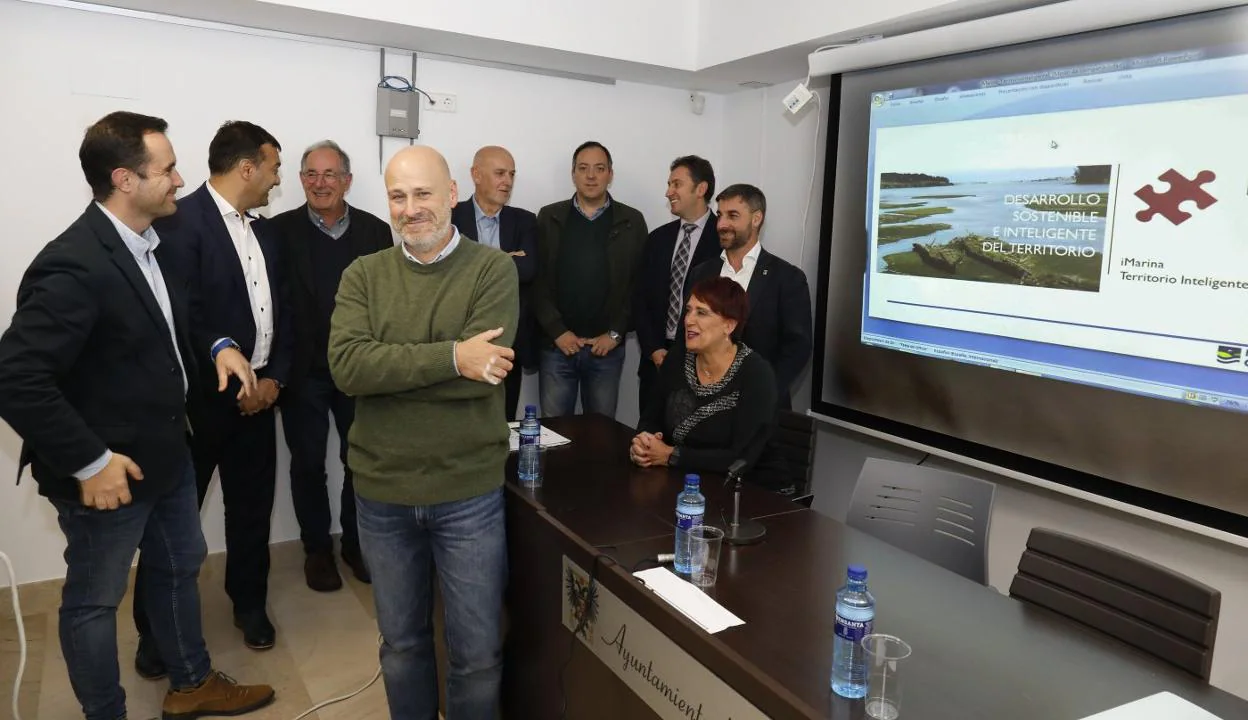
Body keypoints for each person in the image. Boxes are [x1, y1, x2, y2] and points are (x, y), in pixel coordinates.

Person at [0, 111, 274, 720]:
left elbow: (168, 329)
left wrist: (216, 345)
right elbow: (15, 377)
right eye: (169, 169)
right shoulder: (75, 262)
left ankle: (192, 681)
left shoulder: (150, 246)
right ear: (125, 179)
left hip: (166, 454)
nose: (180, 180)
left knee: (179, 566)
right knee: (94, 603)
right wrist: (90, 462)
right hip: (108, 472)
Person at [329, 145, 518, 719]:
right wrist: (453, 356)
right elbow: (349, 368)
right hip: (382, 494)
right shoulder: (363, 274)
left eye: (423, 193)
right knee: (403, 647)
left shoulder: (492, 269)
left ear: (453, 194)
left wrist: (397, 366)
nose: (411, 209)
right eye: (397, 196)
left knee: (478, 654)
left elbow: (485, 375)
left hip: (467, 494)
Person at [148, 120, 292, 653]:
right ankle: (155, 632)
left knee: (251, 513)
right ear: (247, 167)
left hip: (260, 403)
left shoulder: (266, 231)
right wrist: (229, 367)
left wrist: (274, 376)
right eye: (274, 167)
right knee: (174, 526)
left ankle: (250, 605)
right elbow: (183, 314)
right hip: (200, 407)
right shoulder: (179, 223)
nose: (277, 179)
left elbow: (285, 313)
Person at [270, 140, 392, 592]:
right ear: (301, 180)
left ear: (347, 181)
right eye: (311, 174)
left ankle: (356, 545)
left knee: (359, 460)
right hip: (302, 372)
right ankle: (317, 550)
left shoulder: (377, 233)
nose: (320, 183)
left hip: (359, 369)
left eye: (330, 175)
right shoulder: (277, 231)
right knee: (307, 464)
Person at [533, 140, 647, 418]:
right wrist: (556, 330)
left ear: (610, 174)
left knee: (601, 435)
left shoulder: (632, 221)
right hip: (557, 348)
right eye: (583, 168)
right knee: (555, 434)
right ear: (573, 174)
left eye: (599, 168)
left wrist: (616, 333)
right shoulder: (549, 217)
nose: (591, 176)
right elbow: (536, 281)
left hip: (605, 350)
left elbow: (639, 286)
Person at [683, 183, 813, 409]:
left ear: (756, 219)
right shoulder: (701, 273)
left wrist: (764, 390)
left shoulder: (787, 278)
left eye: (732, 216)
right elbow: (683, 338)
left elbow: (797, 347)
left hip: (759, 409)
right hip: (700, 403)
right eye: (720, 215)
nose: (722, 224)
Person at [632, 277, 777, 474]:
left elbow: (741, 457)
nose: (689, 320)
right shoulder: (677, 358)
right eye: (689, 310)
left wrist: (670, 456)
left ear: (729, 326)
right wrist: (644, 445)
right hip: (682, 480)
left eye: (702, 313)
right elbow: (650, 418)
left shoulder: (756, 374)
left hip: (749, 490)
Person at [451, 145, 538, 421]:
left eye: (511, 174)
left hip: (510, 342)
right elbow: (450, 272)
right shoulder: (451, 216)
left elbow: (527, 270)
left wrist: (474, 260)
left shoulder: (524, 220)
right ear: (476, 174)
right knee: (461, 424)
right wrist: (506, 258)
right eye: (500, 173)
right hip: (459, 340)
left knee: (504, 426)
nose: (508, 181)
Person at [632, 155, 721, 417]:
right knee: (648, 442)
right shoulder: (658, 238)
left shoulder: (722, 238)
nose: (668, 192)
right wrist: (654, 349)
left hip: (702, 363)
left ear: (701, 189)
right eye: (669, 184)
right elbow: (640, 298)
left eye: (676, 184)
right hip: (656, 362)